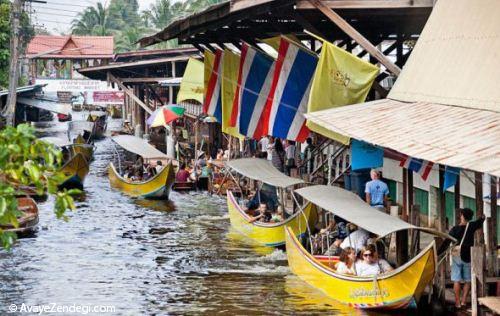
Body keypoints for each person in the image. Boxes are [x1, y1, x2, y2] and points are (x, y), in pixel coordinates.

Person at [449, 208, 485, 309]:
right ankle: (464, 301)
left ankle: (457, 303)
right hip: (468, 256)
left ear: (461, 215)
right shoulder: (472, 226)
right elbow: (481, 220)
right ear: (470, 217)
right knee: (468, 280)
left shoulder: (454, 229)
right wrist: (483, 217)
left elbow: (447, 241)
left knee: (456, 280)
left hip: (457, 256)